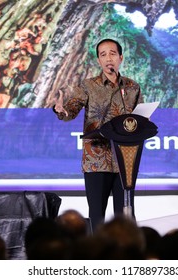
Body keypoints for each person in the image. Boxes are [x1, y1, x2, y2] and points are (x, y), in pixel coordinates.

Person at [53, 38, 144, 230]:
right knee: (97, 216)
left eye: (112, 53)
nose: (108, 58)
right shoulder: (88, 86)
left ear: (120, 58)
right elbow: (72, 109)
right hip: (96, 160)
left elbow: (140, 120)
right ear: (99, 61)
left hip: (124, 161)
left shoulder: (132, 87)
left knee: (125, 216)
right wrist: (62, 110)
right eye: (103, 55)